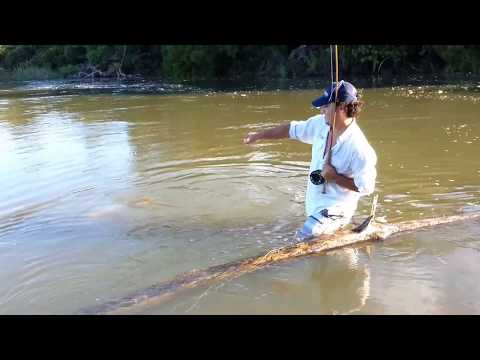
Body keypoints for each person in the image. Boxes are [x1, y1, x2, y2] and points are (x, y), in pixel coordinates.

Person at [243, 80, 377, 241]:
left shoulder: (360, 149)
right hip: (314, 206)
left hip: (337, 210)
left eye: (326, 107)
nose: (322, 111)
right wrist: (259, 136)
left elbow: (366, 187)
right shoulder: (321, 124)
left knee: (304, 236)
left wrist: (336, 178)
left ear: (341, 107)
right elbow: (290, 129)